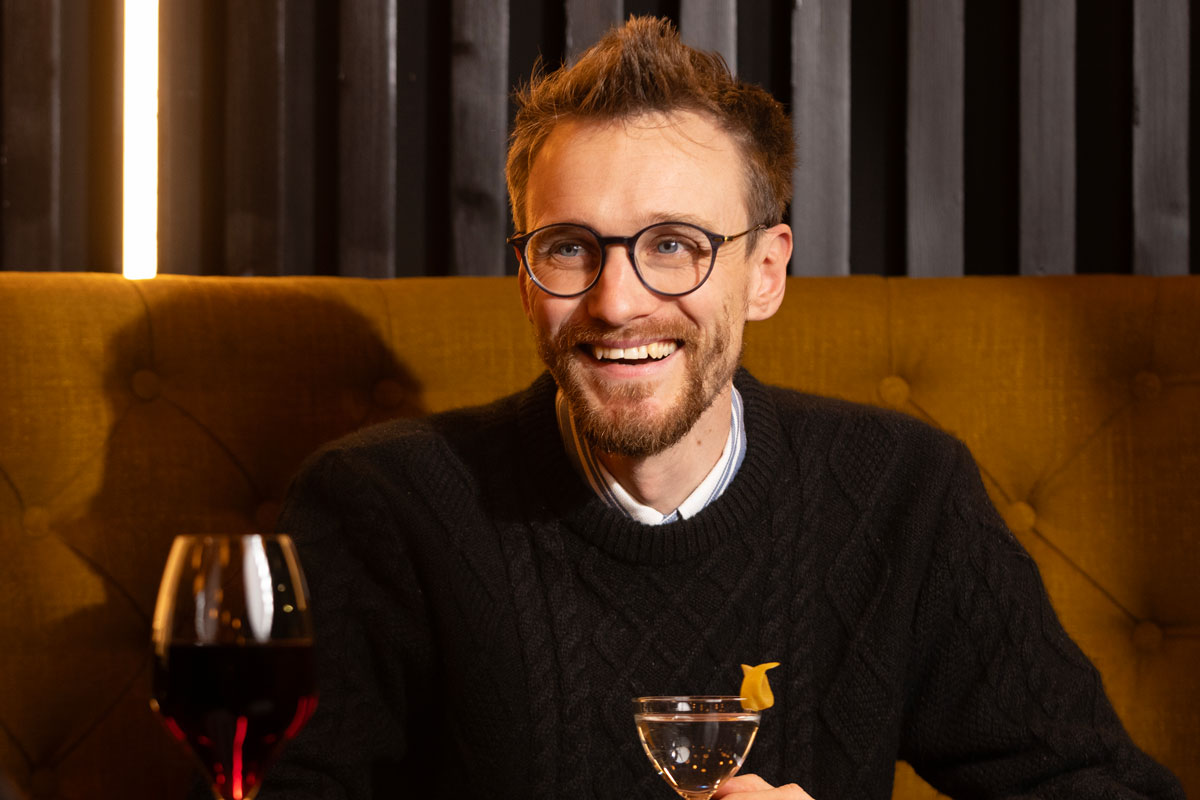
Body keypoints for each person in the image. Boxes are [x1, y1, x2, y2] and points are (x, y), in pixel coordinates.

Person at [263, 16, 1183, 800]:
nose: (617, 302)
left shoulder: (903, 494)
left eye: (674, 245)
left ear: (767, 272)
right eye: (571, 248)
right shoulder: (379, 507)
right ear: (524, 277)